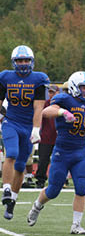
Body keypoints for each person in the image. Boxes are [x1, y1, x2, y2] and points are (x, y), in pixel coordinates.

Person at [27, 71, 85, 234]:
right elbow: (46, 112)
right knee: (53, 190)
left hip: (80, 153)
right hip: (62, 152)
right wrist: (63, 112)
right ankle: (37, 205)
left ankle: (76, 225)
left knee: (82, 187)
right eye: (84, 87)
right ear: (74, 87)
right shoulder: (64, 99)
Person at [0, 45, 50, 220]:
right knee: (11, 153)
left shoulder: (39, 79)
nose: (23, 64)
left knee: (21, 165)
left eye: (26, 60)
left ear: (32, 61)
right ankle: (6, 188)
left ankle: (12, 200)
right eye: (20, 60)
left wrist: (36, 129)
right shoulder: (5, 77)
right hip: (10, 122)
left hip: (28, 125)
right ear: (14, 62)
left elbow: (38, 108)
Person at [35, 85, 59, 188]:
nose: (51, 94)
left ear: (58, 93)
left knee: (59, 161)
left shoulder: (63, 105)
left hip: (59, 138)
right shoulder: (45, 104)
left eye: (53, 92)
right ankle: (40, 180)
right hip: (46, 137)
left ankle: (59, 180)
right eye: (49, 92)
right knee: (43, 160)